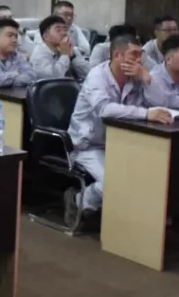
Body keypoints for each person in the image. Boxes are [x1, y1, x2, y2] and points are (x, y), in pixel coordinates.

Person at [65, 34, 172, 229]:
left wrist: (147, 79)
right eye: (134, 54)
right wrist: (146, 114)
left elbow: (163, 102)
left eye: (140, 54)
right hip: (89, 145)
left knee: (152, 175)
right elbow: (105, 109)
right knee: (114, 181)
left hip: (122, 142)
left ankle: (141, 224)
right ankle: (79, 199)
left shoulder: (137, 76)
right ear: (117, 55)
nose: (139, 60)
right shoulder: (97, 76)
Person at [30, 15, 90, 81]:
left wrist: (73, 57)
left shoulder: (71, 49)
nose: (64, 33)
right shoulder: (39, 54)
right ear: (46, 36)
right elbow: (53, 79)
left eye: (65, 29)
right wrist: (64, 55)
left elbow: (88, 74)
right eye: (58, 30)